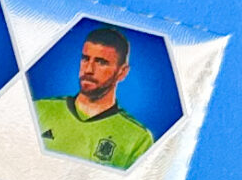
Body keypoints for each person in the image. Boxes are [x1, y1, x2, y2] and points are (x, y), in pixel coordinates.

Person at [33, 24, 155, 167]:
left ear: (122, 72)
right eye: (85, 59)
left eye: (101, 62)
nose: (89, 69)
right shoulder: (39, 109)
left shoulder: (138, 138)